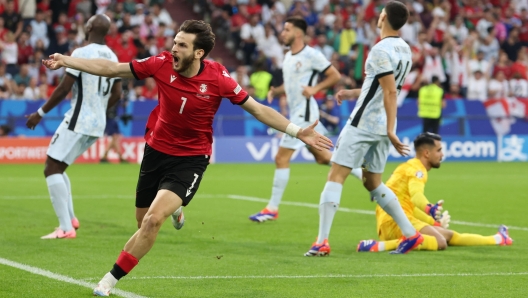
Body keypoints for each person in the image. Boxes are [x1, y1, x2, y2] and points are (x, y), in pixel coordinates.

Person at [42, 20, 332, 296]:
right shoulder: (161, 63)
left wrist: (297, 131)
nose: (173, 49)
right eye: (174, 42)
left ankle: (108, 280)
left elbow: (257, 109)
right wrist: (68, 60)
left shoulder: (218, 78)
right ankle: (177, 209)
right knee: (142, 220)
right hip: (156, 151)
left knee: (153, 221)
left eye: (181, 45)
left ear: (198, 52)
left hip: (191, 158)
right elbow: (111, 68)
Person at [304, 1, 424, 257]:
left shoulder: (380, 49)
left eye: (381, 12)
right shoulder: (405, 49)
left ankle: (322, 241)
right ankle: (412, 234)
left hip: (364, 124)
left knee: (336, 176)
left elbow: (390, 91)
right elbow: (384, 88)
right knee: (373, 182)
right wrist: (353, 93)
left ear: (384, 17)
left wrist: (392, 130)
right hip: (380, 127)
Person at [248, 17, 361, 223]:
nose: (283, 33)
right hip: (299, 112)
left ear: (298, 33)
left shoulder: (311, 54)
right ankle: (365, 176)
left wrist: (315, 89)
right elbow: (293, 85)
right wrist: (277, 90)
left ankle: (272, 208)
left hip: (306, 115)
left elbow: (334, 75)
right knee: (323, 157)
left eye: (287, 29)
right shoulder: (289, 56)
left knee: (281, 158)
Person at [25, 14, 122, 240]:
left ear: (88, 27)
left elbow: (63, 88)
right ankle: (71, 220)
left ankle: (66, 228)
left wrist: (40, 113)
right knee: (59, 166)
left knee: (51, 168)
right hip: (98, 122)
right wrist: (99, 108)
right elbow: (117, 93)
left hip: (79, 119)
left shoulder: (80, 53)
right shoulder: (112, 56)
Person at [357, 133, 513, 252]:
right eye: (439, 150)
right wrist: (429, 208)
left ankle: (499, 239)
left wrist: (433, 222)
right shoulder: (417, 169)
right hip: (393, 223)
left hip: (391, 221)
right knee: (440, 242)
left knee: (448, 235)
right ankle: (378, 246)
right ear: (426, 153)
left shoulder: (407, 166)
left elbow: (408, 205)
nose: (442, 154)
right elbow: (416, 196)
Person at [100, 98, 127, 163]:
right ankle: (120, 156)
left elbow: (123, 103)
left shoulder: (115, 96)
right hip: (109, 118)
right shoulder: (109, 96)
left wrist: (124, 100)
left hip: (113, 118)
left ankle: (105, 156)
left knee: (115, 138)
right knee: (114, 137)